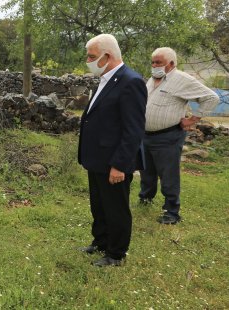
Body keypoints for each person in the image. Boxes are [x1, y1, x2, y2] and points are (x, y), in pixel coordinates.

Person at [77, 34, 147, 267]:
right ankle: (100, 241)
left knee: (116, 208)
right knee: (99, 204)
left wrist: (120, 165)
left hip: (113, 161)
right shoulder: (106, 80)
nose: (88, 60)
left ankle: (116, 253)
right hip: (97, 158)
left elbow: (133, 130)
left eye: (92, 56)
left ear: (107, 56)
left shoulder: (130, 81)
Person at [139, 47, 220, 225]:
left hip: (168, 136)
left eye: (158, 62)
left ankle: (171, 211)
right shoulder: (152, 80)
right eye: (152, 62)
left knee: (168, 174)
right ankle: (145, 198)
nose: (154, 65)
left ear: (171, 63)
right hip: (146, 135)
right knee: (147, 170)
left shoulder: (182, 79)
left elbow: (211, 97)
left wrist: (193, 119)